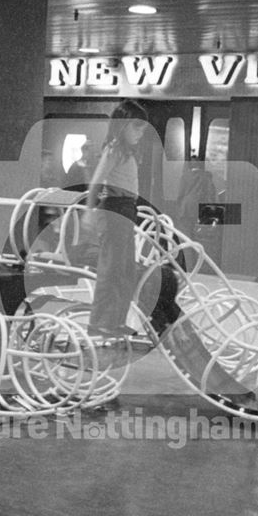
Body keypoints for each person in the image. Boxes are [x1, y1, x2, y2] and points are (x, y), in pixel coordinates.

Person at [85, 99, 149, 338]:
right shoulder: (114, 149)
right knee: (110, 269)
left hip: (126, 210)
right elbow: (97, 181)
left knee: (125, 270)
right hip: (113, 210)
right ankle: (99, 322)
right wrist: (89, 213)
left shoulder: (128, 152)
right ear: (122, 126)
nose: (140, 133)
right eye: (136, 127)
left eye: (143, 129)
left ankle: (115, 321)